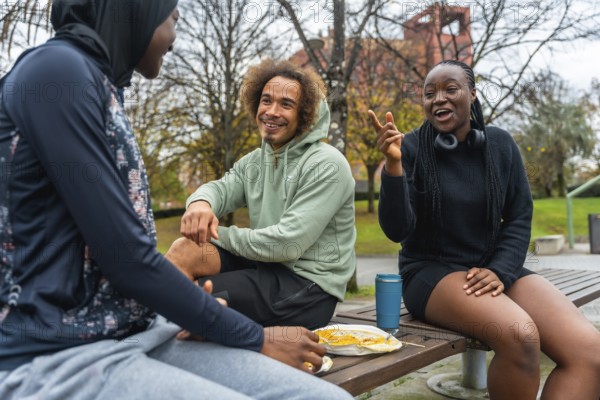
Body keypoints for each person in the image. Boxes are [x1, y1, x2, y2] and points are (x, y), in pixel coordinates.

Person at [0, 1, 354, 399]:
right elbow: (129, 258)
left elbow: (129, 259)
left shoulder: (102, 87)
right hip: (56, 353)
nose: (175, 31)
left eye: (286, 104)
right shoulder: (57, 71)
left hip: (131, 332)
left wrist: (207, 313)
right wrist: (253, 335)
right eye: (172, 16)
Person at [370, 59, 600, 399]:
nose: (439, 99)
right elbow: (396, 229)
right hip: (432, 273)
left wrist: (500, 270)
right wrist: (393, 165)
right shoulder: (412, 147)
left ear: (473, 94)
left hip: (494, 267)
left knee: (591, 353)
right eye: (429, 93)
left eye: (451, 89)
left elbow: (520, 216)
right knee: (521, 337)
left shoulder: (500, 145)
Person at [166, 59, 356, 330]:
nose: (271, 111)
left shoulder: (326, 163)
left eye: (286, 105)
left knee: (194, 297)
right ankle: (170, 338)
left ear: (305, 115)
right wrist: (201, 203)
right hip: (267, 265)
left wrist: (218, 233)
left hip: (308, 288)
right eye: (266, 101)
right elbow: (220, 188)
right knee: (185, 251)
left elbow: (287, 243)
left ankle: (182, 343)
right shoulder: (256, 161)